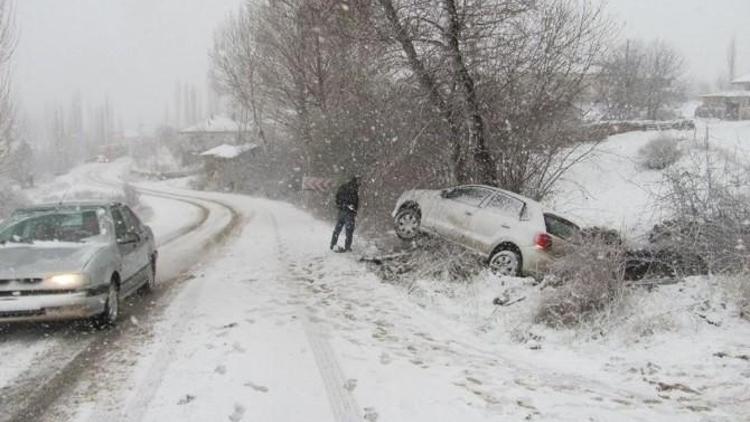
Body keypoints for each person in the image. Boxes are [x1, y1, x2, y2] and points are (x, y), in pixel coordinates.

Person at [330, 176, 360, 252]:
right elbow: (354, 201)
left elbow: (337, 198)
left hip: (341, 211)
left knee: (337, 229)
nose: (359, 183)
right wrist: (353, 209)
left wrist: (340, 205)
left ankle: (332, 244)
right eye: (358, 181)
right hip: (349, 212)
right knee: (349, 230)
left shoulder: (343, 187)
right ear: (355, 181)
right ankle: (347, 246)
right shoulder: (353, 189)